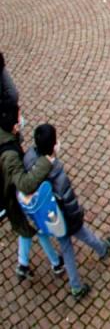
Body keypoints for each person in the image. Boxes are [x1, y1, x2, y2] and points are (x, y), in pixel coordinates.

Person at [25, 125, 110, 300]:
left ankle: (75, 286)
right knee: (84, 234)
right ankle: (103, 249)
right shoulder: (57, 174)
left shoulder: (29, 160)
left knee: (66, 247)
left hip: (50, 218)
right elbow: (69, 201)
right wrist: (77, 217)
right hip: (65, 217)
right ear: (53, 146)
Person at [0, 98, 60, 282]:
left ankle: (23, 264)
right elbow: (25, 184)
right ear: (14, 126)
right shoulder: (9, 155)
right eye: (19, 117)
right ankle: (57, 263)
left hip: (11, 196)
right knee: (38, 229)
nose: (22, 119)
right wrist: (46, 161)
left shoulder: (6, 137)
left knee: (25, 230)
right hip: (12, 198)